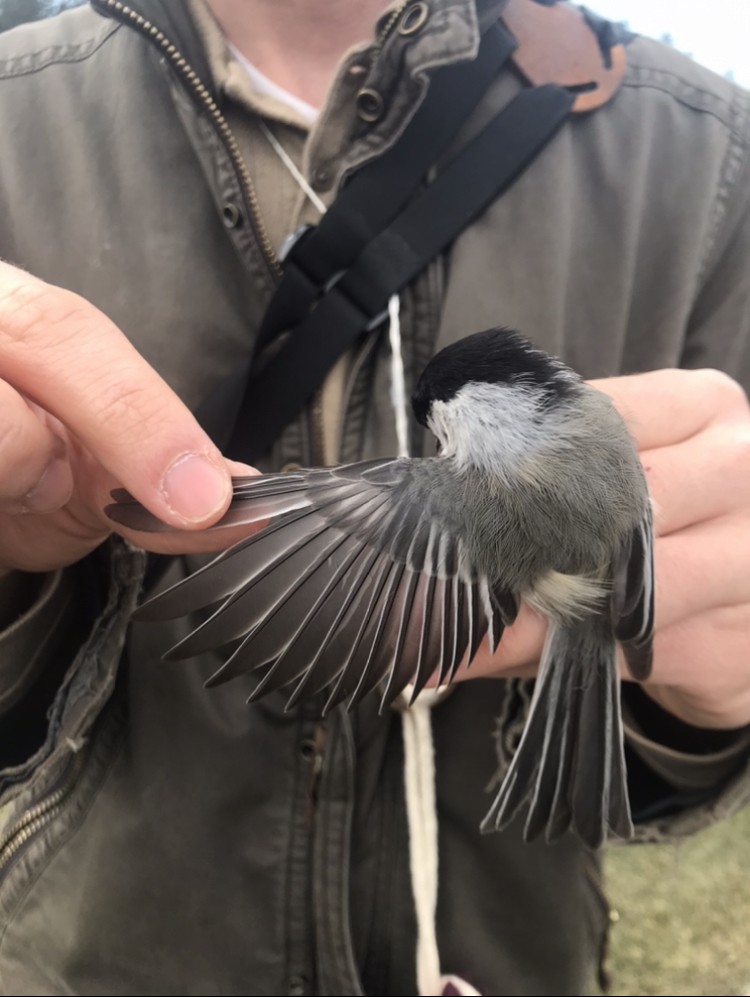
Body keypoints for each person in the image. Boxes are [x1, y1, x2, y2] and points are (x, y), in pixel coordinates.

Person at [0, 0, 749, 994]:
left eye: (445, 421)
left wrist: (706, 709)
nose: (434, 439)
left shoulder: (706, 156)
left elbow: (377, 525)